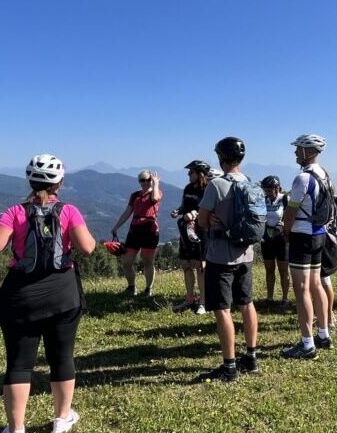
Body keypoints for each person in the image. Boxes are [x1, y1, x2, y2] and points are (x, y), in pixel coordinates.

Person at [0, 154, 96, 433]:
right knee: (62, 357)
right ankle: (61, 419)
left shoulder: (15, 212)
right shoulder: (69, 211)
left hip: (20, 298)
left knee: (19, 364)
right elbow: (87, 247)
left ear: (29, 181)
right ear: (60, 182)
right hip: (63, 295)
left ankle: (16, 432)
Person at [196, 137, 259, 382]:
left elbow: (202, 220)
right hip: (246, 254)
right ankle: (251, 357)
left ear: (221, 157)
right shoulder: (250, 182)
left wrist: (212, 219)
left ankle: (229, 367)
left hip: (221, 255)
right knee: (247, 303)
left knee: (222, 309)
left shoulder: (217, 185)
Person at [281, 133, 336, 359]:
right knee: (316, 285)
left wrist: (285, 231)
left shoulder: (302, 179)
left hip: (302, 236)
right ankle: (323, 334)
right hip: (319, 234)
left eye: (298, 149)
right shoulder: (326, 175)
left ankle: (307, 344)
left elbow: (291, 211)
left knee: (301, 289)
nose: (295, 153)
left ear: (307, 151)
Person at [111, 170, 162, 297]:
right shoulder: (134, 195)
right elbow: (127, 212)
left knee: (147, 261)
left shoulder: (156, 192)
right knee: (127, 261)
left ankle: (148, 289)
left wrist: (156, 184)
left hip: (149, 231)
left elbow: (155, 198)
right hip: (134, 231)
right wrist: (116, 226)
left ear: (151, 180)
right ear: (139, 181)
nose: (145, 183)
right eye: (142, 180)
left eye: (147, 180)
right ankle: (131, 287)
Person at [170, 160, 210, 315]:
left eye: (191, 172)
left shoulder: (208, 189)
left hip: (201, 232)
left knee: (200, 267)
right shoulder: (187, 188)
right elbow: (183, 205)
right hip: (185, 230)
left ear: (200, 173)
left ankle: (203, 302)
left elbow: (209, 209)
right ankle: (189, 298)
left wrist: (195, 214)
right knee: (186, 264)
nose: (188, 175)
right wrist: (178, 211)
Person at [259, 175, 290, 308]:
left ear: (277, 188)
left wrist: (283, 224)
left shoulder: (284, 199)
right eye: (265, 189)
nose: (267, 192)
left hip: (281, 237)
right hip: (267, 237)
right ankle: (270, 298)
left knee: (283, 269)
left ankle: (285, 298)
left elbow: (290, 216)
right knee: (269, 268)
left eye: (269, 189)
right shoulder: (264, 200)